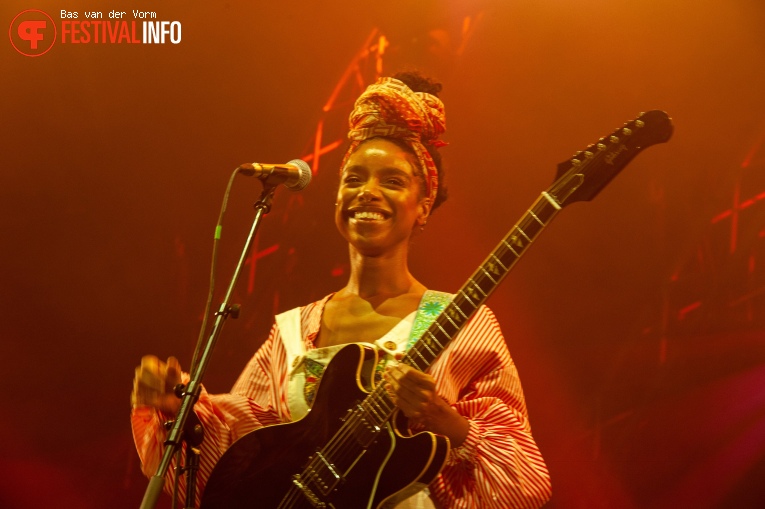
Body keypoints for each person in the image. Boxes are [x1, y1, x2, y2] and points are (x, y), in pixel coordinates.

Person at [131, 72, 552, 508]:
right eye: (354, 179)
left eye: (392, 181)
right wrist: (174, 408)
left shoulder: (463, 324)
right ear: (337, 196)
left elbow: (523, 478)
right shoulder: (294, 331)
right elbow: (241, 455)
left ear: (423, 205)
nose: (367, 192)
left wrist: (445, 421)